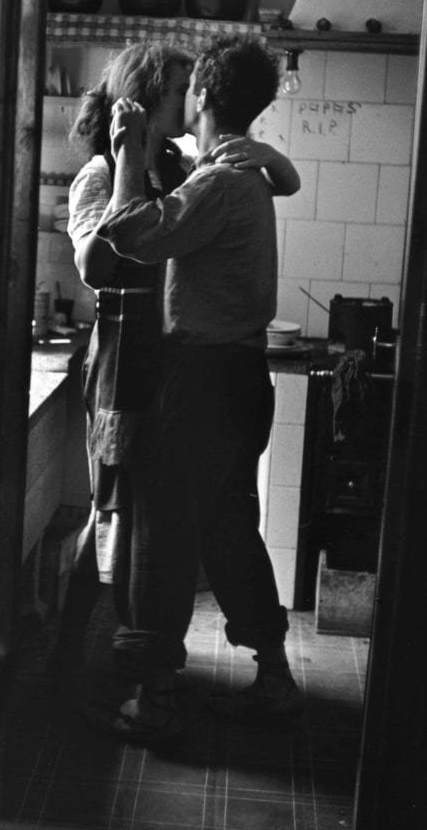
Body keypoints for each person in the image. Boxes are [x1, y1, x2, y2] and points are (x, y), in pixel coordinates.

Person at [55, 39, 300, 716]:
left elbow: (257, 181)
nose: (187, 99)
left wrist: (257, 152)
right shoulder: (105, 174)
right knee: (125, 516)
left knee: (162, 530)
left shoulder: (195, 172)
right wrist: (127, 157)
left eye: (193, 86)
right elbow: (97, 265)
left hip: (186, 373)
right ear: (146, 95)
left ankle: (149, 686)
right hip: (131, 367)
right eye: (177, 85)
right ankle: (74, 647)